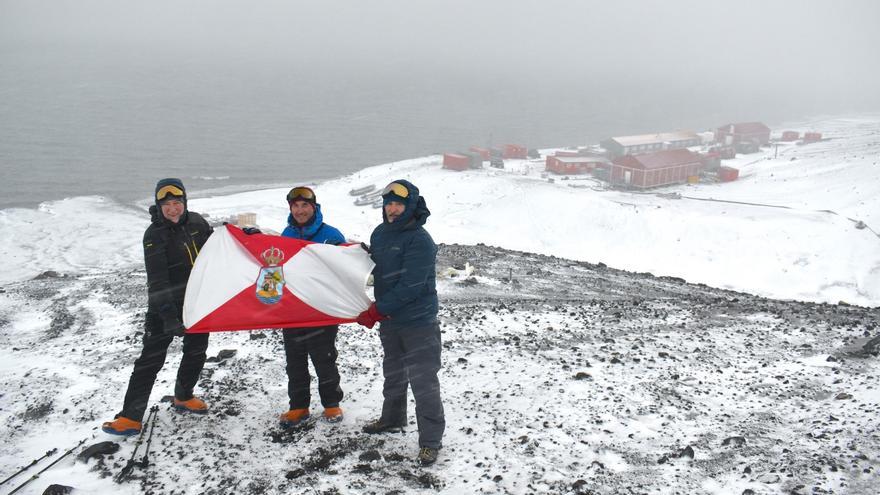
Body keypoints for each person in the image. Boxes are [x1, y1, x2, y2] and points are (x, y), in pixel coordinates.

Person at [102, 178, 213, 436]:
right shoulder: (154, 235)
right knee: (150, 362)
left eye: (177, 203)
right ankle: (130, 417)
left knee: (196, 353)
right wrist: (169, 317)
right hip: (162, 310)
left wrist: (240, 233)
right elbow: (158, 280)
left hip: (196, 303)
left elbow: (216, 249)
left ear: (184, 202)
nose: (173, 209)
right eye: (167, 205)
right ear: (158, 206)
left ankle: (184, 396)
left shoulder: (197, 223)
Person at [356, 180, 445, 466]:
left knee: (424, 382)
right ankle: (392, 419)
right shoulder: (381, 233)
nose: (392, 209)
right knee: (393, 374)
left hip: (419, 323)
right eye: (389, 203)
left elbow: (412, 286)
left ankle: (430, 441)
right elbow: (377, 265)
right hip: (391, 322)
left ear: (410, 206)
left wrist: (376, 309)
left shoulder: (420, 240)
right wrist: (351, 255)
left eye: (398, 204)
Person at [278, 186, 347, 427]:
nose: (299, 210)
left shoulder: (331, 235)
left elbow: (345, 267)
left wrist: (357, 253)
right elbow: (275, 267)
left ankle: (331, 404)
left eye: (304, 205)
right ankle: (298, 406)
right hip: (292, 311)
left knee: (324, 358)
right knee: (295, 360)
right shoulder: (285, 235)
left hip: (322, 310)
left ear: (313, 207)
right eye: (295, 206)